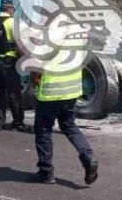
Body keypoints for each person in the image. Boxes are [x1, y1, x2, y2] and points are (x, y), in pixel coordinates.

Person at [29, 51, 99, 186]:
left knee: (43, 130)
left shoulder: (46, 35)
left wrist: (33, 81)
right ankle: (87, 157)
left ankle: (46, 171)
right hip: (71, 90)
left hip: (49, 92)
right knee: (69, 126)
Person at [0, 0, 31, 132]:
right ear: (10, 9)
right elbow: (18, 43)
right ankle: (18, 122)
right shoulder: (12, 22)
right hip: (9, 62)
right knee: (14, 93)